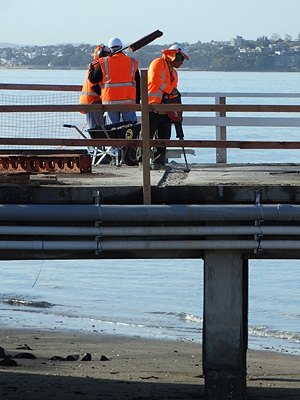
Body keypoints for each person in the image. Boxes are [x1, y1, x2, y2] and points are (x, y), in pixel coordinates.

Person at [136, 44, 189, 170]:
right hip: (152, 106)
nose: (182, 63)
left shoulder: (174, 73)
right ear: (174, 56)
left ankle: (158, 161)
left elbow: (172, 92)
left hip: (166, 109)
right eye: (181, 59)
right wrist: (171, 90)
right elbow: (154, 79)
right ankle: (143, 161)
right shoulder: (158, 63)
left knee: (164, 136)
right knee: (147, 135)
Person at [88, 37, 140, 124]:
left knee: (113, 129)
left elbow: (93, 79)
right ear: (121, 47)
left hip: (111, 102)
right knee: (130, 129)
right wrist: (137, 101)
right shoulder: (132, 62)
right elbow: (138, 83)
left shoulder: (104, 62)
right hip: (128, 102)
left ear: (110, 49)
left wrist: (91, 69)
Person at [79, 45, 110, 129]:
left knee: (98, 126)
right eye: (107, 54)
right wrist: (104, 97)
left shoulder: (97, 65)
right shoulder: (95, 66)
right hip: (92, 101)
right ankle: (95, 142)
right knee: (95, 128)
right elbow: (94, 86)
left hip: (94, 101)